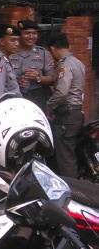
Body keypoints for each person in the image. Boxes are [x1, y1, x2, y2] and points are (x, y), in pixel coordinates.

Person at [45, 32, 85, 179]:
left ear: (53, 49)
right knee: (71, 152)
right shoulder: (78, 63)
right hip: (76, 113)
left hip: (66, 116)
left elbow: (62, 92)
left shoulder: (64, 65)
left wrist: (49, 106)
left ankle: (73, 193)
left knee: (65, 157)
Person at [10, 20, 55, 113]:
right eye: (27, 33)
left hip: (38, 97)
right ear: (19, 35)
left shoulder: (43, 53)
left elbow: (52, 79)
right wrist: (17, 82)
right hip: (15, 97)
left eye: (34, 33)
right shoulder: (10, 52)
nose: (31, 37)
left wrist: (38, 78)